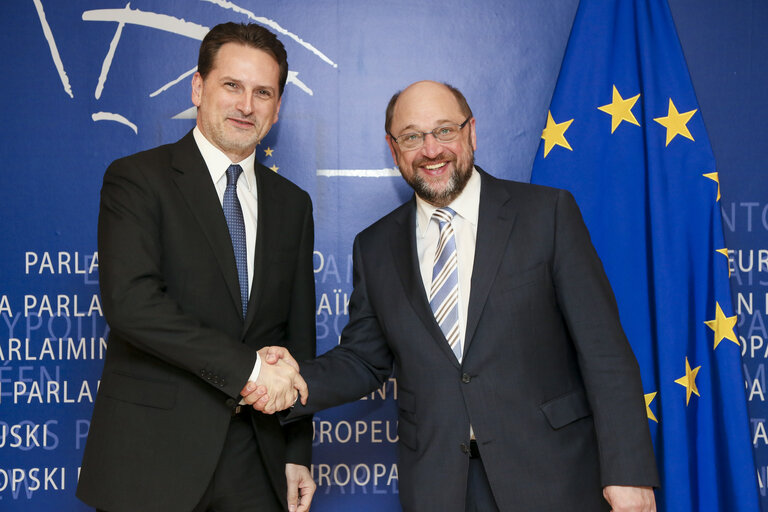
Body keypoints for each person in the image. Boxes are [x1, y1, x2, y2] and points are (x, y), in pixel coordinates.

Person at [264, 80, 660, 511]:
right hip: (440, 487)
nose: (431, 150)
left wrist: (628, 474)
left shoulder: (547, 214)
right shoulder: (374, 246)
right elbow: (363, 359)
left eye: (445, 131)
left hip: (554, 477)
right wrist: (291, 379)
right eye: (412, 136)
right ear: (393, 148)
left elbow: (604, 353)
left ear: (471, 131)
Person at [77, 22, 316, 512]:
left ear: (276, 106)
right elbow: (132, 304)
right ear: (198, 87)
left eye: (263, 92)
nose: (246, 105)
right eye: (232, 85)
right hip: (151, 459)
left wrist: (297, 451)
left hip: (257, 462)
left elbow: (298, 335)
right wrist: (249, 367)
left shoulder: (293, 204)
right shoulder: (137, 180)